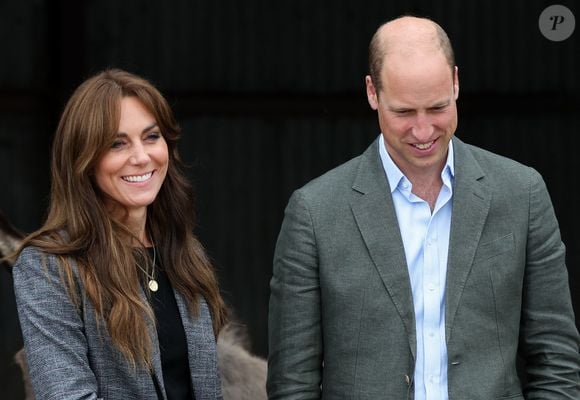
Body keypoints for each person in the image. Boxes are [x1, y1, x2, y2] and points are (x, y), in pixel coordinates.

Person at [267, 16, 580, 399]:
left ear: (456, 83)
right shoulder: (315, 212)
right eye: (403, 112)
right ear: (372, 92)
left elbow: (556, 358)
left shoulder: (522, 193)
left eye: (437, 108)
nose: (422, 131)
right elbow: (291, 383)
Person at [11, 69, 227, 399]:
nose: (141, 157)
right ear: (83, 160)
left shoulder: (185, 251)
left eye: (152, 137)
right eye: (117, 144)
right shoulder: (48, 267)